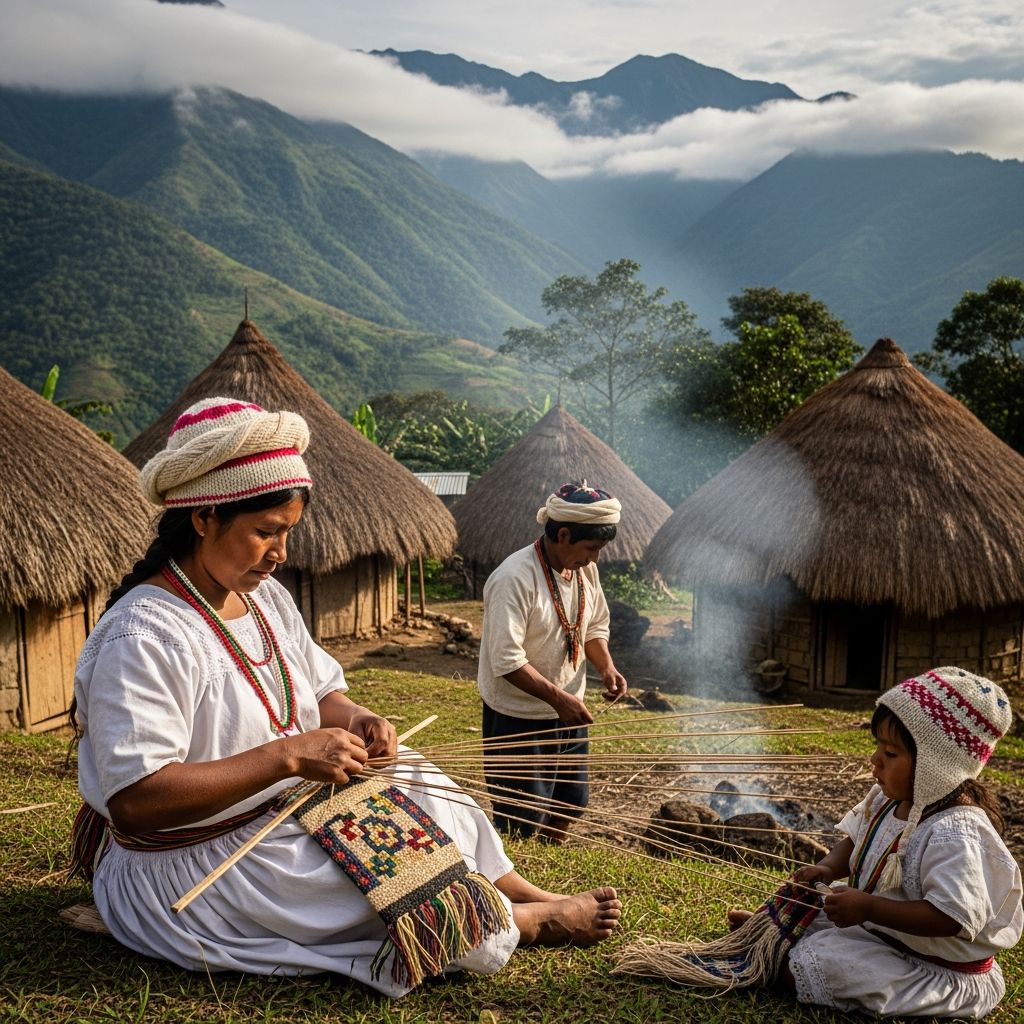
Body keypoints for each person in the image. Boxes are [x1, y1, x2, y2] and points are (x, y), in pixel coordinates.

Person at [69, 397, 621, 999]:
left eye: (287, 533)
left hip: (288, 805)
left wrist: (361, 718)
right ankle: (514, 921)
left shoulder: (264, 599)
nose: (280, 554)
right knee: (346, 884)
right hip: (201, 856)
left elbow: (320, 691)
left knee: (424, 786)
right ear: (203, 518)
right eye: (264, 533)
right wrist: (288, 756)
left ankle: (521, 891)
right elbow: (136, 801)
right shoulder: (142, 633)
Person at [730, 666, 1023, 1018]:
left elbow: (950, 918)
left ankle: (779, 960)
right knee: (801, 904)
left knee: (826, 968)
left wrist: (869, 908)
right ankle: (774, 940)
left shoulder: (956, 831)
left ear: (937, 765)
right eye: (877, 747)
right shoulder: (887, 800)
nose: (874, 761)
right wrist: (826, 869)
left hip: (930, 967)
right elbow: (855, 840)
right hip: (878, 932)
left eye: (891, 753)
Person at [476, 481, 628, 841]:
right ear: (563, 535)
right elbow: (507, 660)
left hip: (568, 708)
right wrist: (559, 700)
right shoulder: (514, 578)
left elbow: (594, 626)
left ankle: (552, 852)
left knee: (570, 802)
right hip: (519, 716)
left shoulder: (584, 571)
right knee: (519, 816)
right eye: (590, 548)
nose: (594, 559)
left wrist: (606, 667)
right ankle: (523, 871)